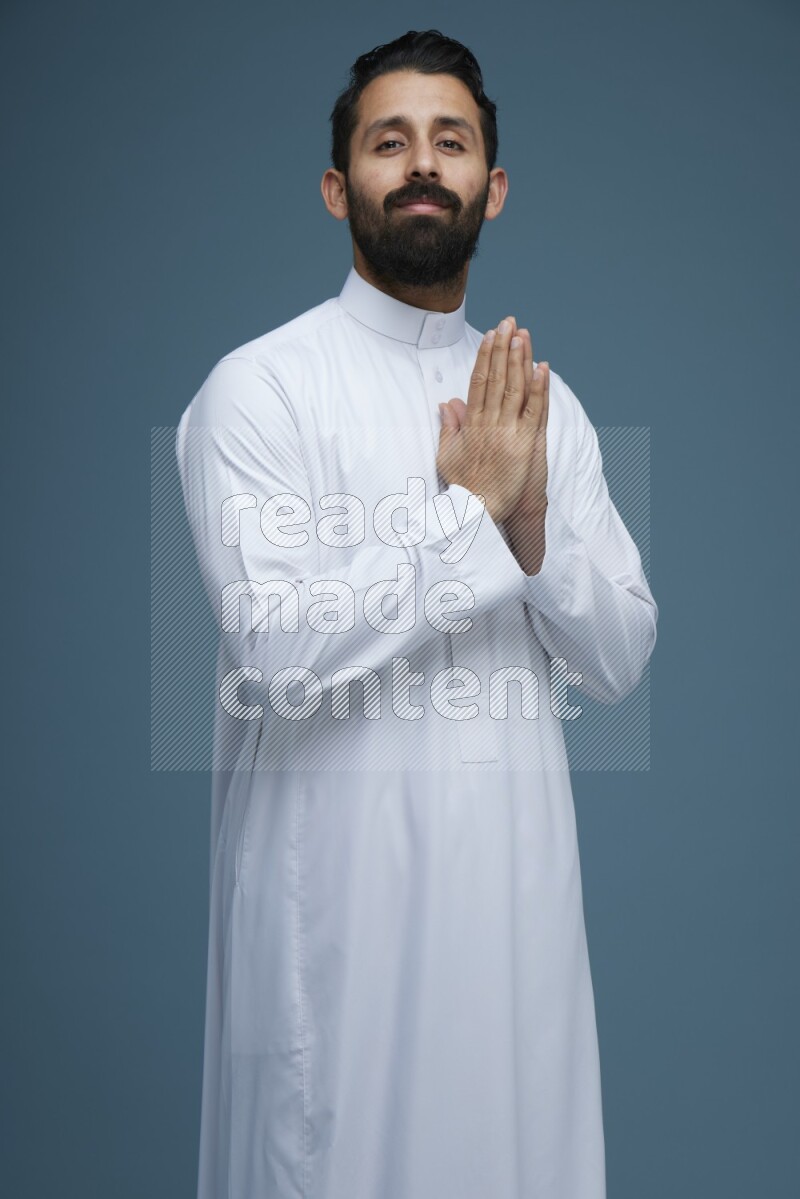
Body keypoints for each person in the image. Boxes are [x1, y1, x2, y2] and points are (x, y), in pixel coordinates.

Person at [175, 28, 657, 1199]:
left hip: (511, 904)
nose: (421, 164)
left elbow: (618, 657)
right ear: (341, 186)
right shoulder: (261, 387)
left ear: (491, 187)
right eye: (389, 142)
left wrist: (530, 531)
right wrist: (470, 514)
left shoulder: (542, 400)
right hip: (331, 909)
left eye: (451, 141)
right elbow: (277, 648)